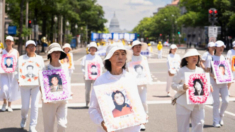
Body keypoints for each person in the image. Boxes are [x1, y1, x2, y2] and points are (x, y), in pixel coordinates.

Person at [89, 42, 146, 132]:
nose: (120, 57)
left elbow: (136, 102)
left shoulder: (130, 78)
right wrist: (101, 122)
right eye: (116, 54)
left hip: (132, 128)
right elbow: (93, 109)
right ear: (109, 58)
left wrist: (141, 115)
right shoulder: (100, 81)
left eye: (123, 54)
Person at [172, 49, 210, 132]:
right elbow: (173, 85)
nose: (194, 57)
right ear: (186, 59)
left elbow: (204, 84)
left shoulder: (200, 70)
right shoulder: (181, 71)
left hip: (198, 104)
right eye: (192, 56)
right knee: (182, 127)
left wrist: (208, 86)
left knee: (199, 124)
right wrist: (182, 87)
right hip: (183, 104)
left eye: (196, 56)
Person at [41, 43, 72, 132]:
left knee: (62, 125)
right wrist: (44, 95)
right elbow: (41, 85)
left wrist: (70, 91)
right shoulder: (45, 68)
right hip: (49, 102)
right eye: (54, 52)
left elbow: (67, 83)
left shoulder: (64, 67)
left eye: (58, 52)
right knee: (48, 128)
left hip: (62, 101)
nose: (56, 53)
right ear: (50, 54)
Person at [18, 40, 44, 132]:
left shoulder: (40, 59)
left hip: (36, 85)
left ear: (35, 48)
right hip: (24, 84)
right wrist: (18, 79)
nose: (31, 48)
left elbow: (43, 71)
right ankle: (24, 117)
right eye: (29, 46)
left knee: (35, 105)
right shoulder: (21, 58)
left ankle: (32, 125)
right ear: (26, 48)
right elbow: (18, 70)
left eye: (33, 46)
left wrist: (43, 85)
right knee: (25, 107)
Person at [127, 40, 151, 131]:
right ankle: (136, 121)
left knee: (143, 101)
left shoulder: (143, 58)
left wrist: (148, 79)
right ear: (132, 48)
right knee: (133, 103)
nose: (138, 49)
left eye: (139, 47)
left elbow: (146, 70)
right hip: (132, 85)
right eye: (136, 47)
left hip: (143, 84)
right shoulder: (129, 58)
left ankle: (143, 120)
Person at [205, 40, 229, 128]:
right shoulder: (211, 58)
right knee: (216, 102)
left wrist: (229, 77)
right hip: (214, 83)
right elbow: (208, 71)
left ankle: (221, 116)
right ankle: (215, 121)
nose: (221, 48)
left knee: (226, 101)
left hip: (223, 83)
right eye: (220, 47)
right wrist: (213, 76)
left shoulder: (225, 58)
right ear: (215, 48)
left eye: (223, 47)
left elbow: (227, 71)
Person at [0, 36, 20, 112]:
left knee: (11, 88)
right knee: (4, 88)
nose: (8, 42)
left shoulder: (16, 52)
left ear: (13, 42)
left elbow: (18, 63)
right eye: (7, 41)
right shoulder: (2, 52)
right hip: (3, 73)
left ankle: (9, 105)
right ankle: (4, 103)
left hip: (12, 73)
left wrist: (18, 74)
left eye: (10, 41)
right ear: (5, 42)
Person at [81, 42, 103, 107]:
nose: (93, 49)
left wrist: (100, 76)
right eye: (91, 48)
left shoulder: (98, 58)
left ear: (96, 49)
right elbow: (82, 67)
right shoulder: (85, 57)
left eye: (94, 48)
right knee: (87, 90)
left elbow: (100, 67)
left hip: (96, 77)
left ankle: (94, 103)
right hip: (87, 77)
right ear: (89, 49)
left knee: (95, 90)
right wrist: (84, 73)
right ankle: (87, 102)